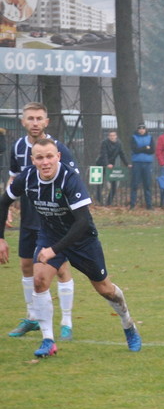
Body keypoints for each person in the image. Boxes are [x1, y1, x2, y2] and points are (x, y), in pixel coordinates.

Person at [0, 138, 142, 357]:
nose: (45, 162)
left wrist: (55, 250)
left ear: (58, 157)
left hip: (82, 239)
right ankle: (48, 341)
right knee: (39, 281)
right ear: (32, 160)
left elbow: (82, 222)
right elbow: (3, 201)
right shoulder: (27, 177)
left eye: (49, 156)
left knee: (105, 289)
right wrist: (1, 238)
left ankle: (128, 324)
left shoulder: (69, 178)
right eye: (40, 157)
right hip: (50, 235)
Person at [7, 102, 79, 341]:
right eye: (30, 118)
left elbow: (73, 183)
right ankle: (33, 317)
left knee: (59, 268)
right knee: (27, 266)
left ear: (46, 122)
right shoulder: (17, 147)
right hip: (29, 216)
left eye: (39, 118)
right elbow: (13, 180)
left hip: (54, 219)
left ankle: (66, 320)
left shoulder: (59, 149)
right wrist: (7, 207)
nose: (35, 123)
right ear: (23, 121)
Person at [95, 130, 127, 206]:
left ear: (116, 136)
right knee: (99, 183)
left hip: (111, 165)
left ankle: (109, 202)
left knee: (114, 184)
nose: (112, 137)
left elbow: (122, 154)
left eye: (113, 135)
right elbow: (104, 154)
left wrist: (127, 164)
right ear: (108, 136)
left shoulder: (119, 144)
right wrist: (107, 164)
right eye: (111, 136)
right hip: (101, 164)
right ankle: (99, 200)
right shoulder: (104, 143)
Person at [129, 123, 154, 210]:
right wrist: (145, 148)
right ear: (138, 130)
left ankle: (149, 204)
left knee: (147, 185)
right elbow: (135, 149)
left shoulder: (150, 138)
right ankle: (132, 204)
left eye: (143, 129)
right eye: (140, 129)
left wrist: (142, 149)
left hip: (147, 163)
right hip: (137, 163)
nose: (142, 130)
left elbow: (152, 150)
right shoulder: (134, 138)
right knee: (135, 184)